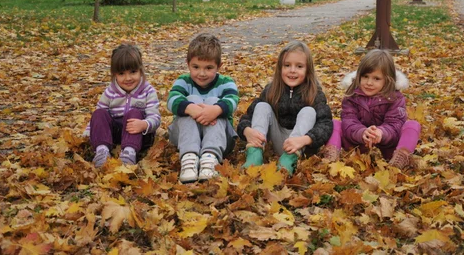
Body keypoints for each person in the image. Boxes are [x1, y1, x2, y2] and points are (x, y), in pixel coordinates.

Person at [237, 41, 333, 175]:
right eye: (287, 65)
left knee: (308, 111)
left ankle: (288, 161)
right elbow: (247, 117)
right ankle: (254, 155)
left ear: (308, 70)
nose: (292, 70)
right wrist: (247, 131)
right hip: (278, 139)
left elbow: (326, 125)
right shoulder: (271, 90)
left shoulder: (314, 93)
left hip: (300, 145)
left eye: (299, 66)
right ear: (280, 68)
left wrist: (304, 140)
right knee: (262, 106)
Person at [321, 49, 421, 169]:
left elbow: (395, 124)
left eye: (376, 78)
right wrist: (362, 132)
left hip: (388, 147)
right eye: (365, 76)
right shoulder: (352, 96)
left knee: (412, 125)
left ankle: (400, 159)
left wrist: (381, 133)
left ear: (387, 79)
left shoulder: (395, 98)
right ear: (359, 76)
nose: (369, 82)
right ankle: (331, 158)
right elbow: (349, 121)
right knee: (335, 124)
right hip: (358, 145)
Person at [167, 33, 239, 183]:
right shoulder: (183, 81)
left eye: (209, 68)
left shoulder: (226, 82)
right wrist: (192, 108)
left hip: (220, 139)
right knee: (191, 100)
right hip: (184, 138)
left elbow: (232, 101)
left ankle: (209, 158)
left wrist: (214, 110)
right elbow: (171, 101)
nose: (201, 73)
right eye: (196, 67)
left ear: (219, 66)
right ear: (188, 64)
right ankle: (189, 157)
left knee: (214, 101)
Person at [87, 44, 161, 167]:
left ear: (140, 70)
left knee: (134, 112)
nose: (128, 78)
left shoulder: (148, 91)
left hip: (140, 134)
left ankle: (129, 153)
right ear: (114, 74)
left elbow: (156, 118)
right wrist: (89, 132)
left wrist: (144, 124)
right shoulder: (110, 92)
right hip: (116, 134)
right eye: (121, 74)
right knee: (99, 113)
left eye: (133, 72)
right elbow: (99, 118)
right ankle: (102, 150)